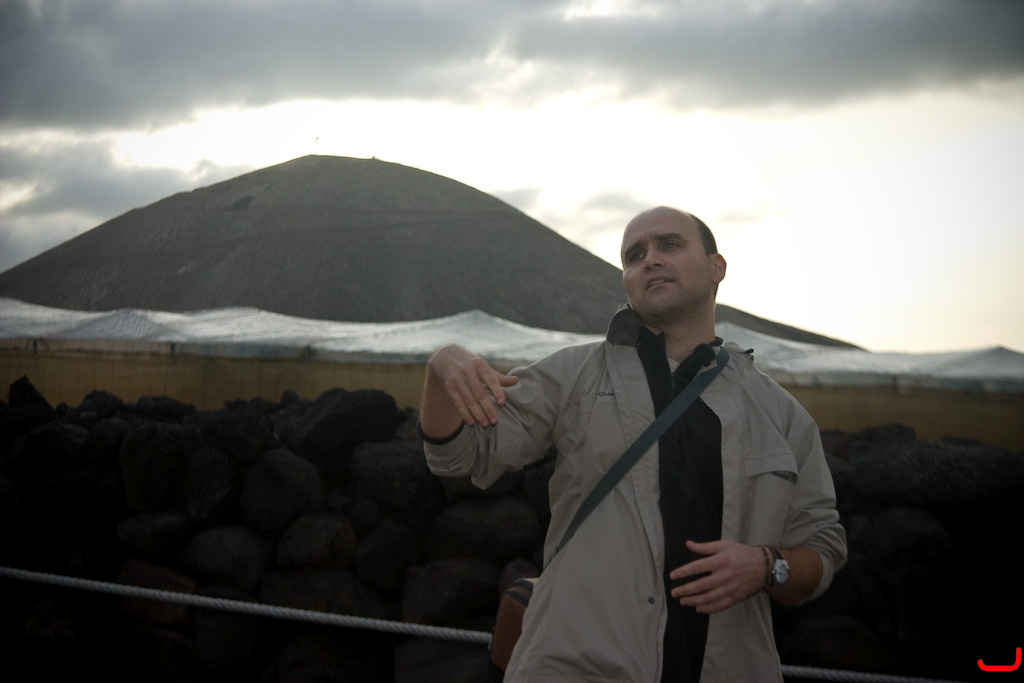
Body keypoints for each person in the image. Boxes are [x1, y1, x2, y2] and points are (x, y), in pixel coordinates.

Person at [418, 206, 847, 682]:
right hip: (579, 669)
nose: (651, 260)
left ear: (716, 267)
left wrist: (768, 566)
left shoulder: (782, 415)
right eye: (634, 255)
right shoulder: (573, 376)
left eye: (670, 245)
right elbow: (459, 456)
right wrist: (442, 366)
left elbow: (822, 546)